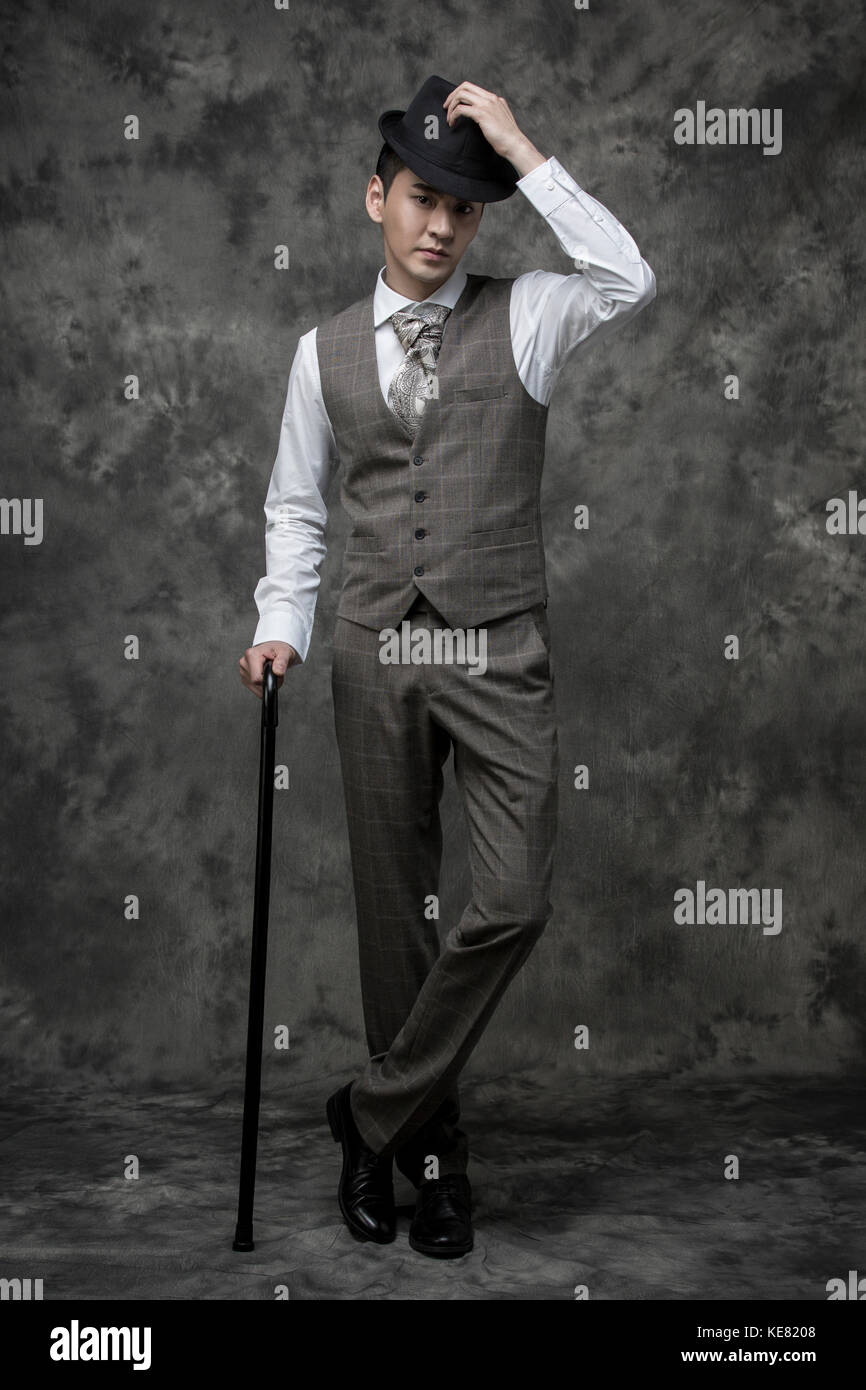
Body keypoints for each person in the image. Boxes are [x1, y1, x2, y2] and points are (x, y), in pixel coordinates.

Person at [239, 74, 656, 1259]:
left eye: (463, 210)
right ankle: (434, 1159)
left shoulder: (525, 313)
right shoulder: (317, 352)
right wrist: (283, 620)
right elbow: (294, 513)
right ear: (377, 196)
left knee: (509, 900)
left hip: (496, 648)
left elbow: (628, 277)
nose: (438, 226)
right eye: (422, 198)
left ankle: (367, 1116)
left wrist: (524, 152)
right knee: (396, 926)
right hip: (373, 650)